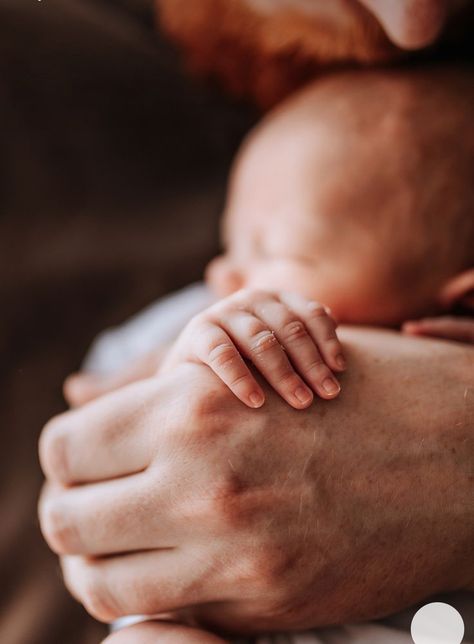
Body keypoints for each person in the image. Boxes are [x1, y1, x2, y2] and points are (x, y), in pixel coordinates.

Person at [38, 66, 474, 642]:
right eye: (230, 243)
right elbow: (126, 420)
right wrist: (194, 361)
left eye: (273, 249)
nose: (224, 275)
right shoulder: (203, 321)